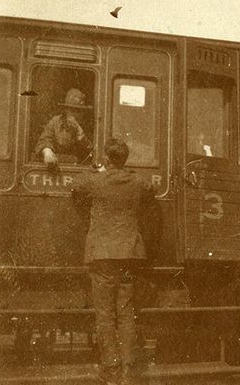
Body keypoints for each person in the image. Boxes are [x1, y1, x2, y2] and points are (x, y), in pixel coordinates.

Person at [72, 138, 155, 385]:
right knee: (126, 312)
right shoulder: (136, 182)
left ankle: (111, 372)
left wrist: (96, 170)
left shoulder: (95, 180)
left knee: (105, 314)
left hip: (102, 256)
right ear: (125, 159)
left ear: (107, 159)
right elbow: (150, 192)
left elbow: (75, 187)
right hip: (129, 255)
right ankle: (129, 373)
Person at [35, 88, 93, 169]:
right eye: (71, 110)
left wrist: (81, 134)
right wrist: (47, 151)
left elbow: (92, 151)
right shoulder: (56, 122)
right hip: (58, 166)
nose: (74, 114)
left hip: (80, 168)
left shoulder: (88, 125)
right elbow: (44, 139)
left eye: (78, 111)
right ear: (66, 110)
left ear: (83, 112)